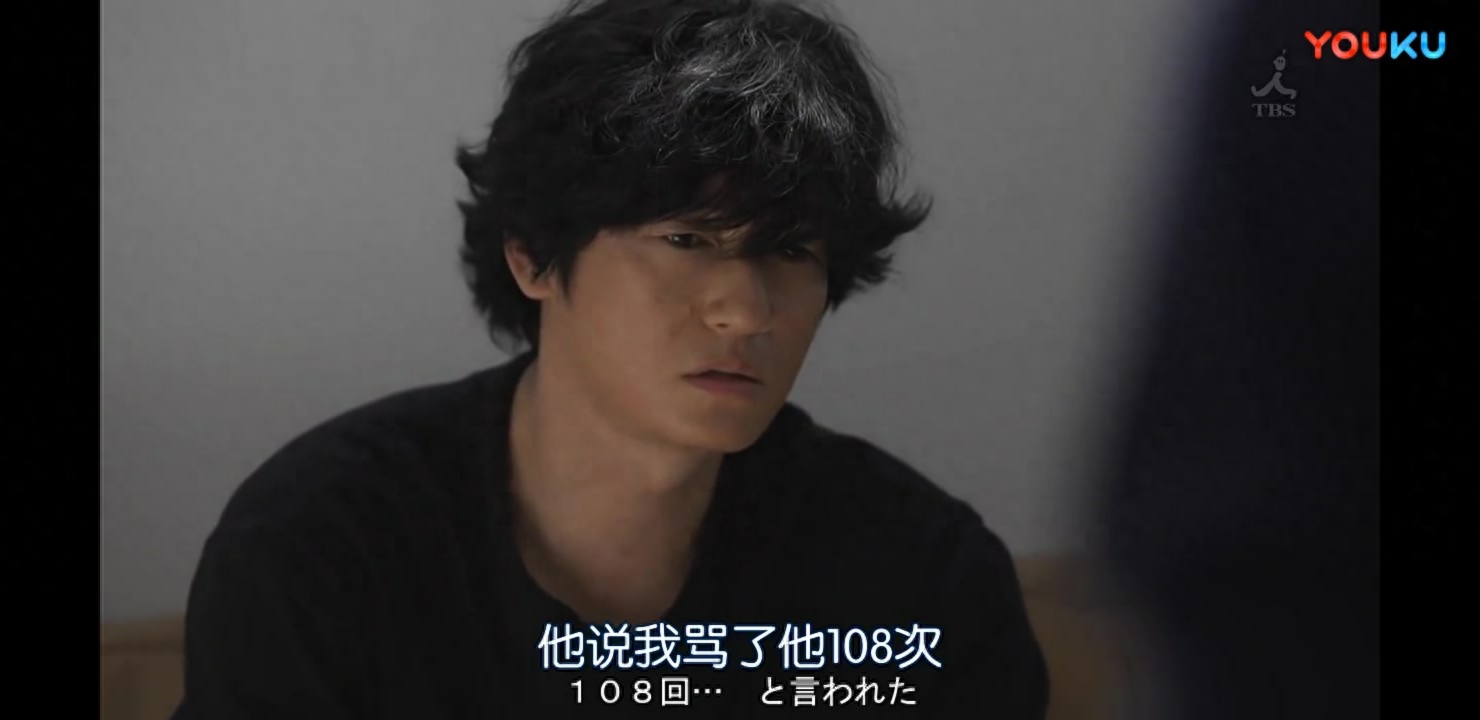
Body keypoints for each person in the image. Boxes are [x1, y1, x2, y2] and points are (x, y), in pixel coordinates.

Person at [171, 0, 1048, 717]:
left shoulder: (921, 580)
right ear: (533, 254)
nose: (747, 310)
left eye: (791, 251)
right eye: (686, 238)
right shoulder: (322, 544)